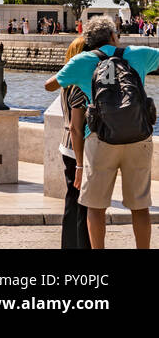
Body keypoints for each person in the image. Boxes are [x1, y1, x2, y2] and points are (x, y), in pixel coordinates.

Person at [45, 17, 159, 248]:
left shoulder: (82, 60)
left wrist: (74, 71)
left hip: (100, 140)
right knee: (140, 205)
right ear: (114, 36)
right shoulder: (138, 53)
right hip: (138, 137)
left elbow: (49, 85)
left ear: (88, 41)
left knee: (96, 206)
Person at [52, 36, 90, 249]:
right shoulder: (79, 85)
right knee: (81, 204)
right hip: (77, 148)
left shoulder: (66, 83)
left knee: (73, 201)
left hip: (67, 145)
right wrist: (80, 164)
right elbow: (77, 127)